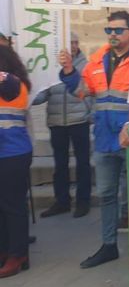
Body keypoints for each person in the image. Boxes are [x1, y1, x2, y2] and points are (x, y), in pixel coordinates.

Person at [59, 10, 129, 268]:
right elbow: (82, 92)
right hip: (103, 139)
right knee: (107, 194)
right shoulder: (98, 60)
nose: (112, 34)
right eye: (109, 30)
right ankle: (109, 246)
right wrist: (69, 71)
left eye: (118, 30)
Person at [32, 32, 93, 218]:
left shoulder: (86, 65)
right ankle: (62, 201)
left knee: (83, 163)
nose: (73, 46)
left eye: (75, 43)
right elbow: (43, 94)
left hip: (79, 120)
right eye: (69, 43)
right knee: (60, 165)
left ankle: (83, 202)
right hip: (57, 121)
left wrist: (91, 112)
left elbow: (90, 90)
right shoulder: (52, 67)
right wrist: (29, 97)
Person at [0, 47, 34, 278]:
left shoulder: (12, 82)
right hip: (8, 152)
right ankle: (6, 250)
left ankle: (18, 254)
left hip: (12, 153)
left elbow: (9, 87)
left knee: (13, 206)